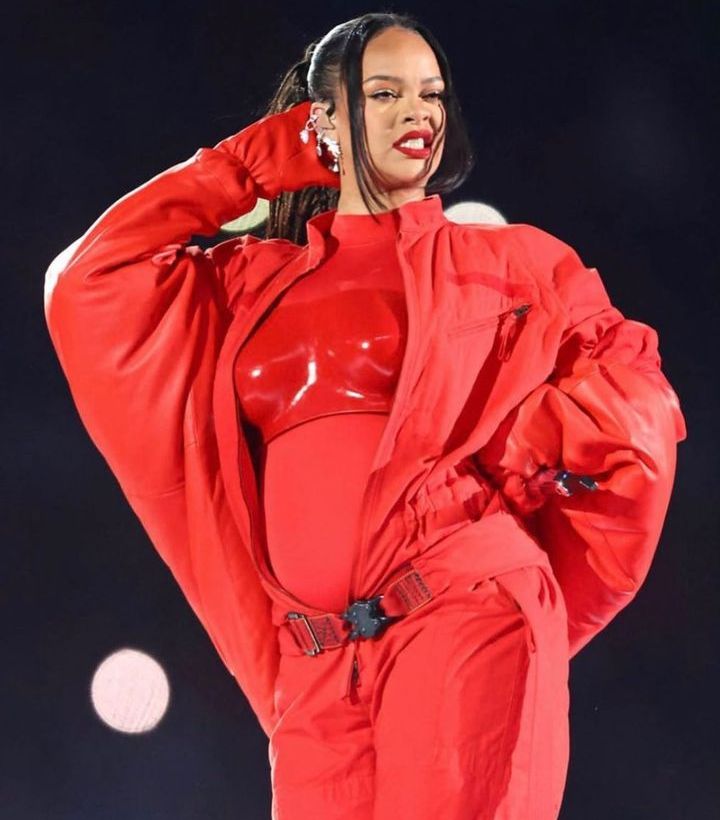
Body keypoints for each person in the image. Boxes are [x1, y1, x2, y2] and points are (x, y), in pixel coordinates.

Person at [43, 11, 687, 820]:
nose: (418, 112)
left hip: (464, 616)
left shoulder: (512, 263)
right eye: (384, 93)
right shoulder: (248, 283)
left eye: (431, 94)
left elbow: (637, 405)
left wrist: (526, 441)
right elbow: (92, 280)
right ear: (322, 120)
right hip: (316, 665)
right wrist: (249, 167)